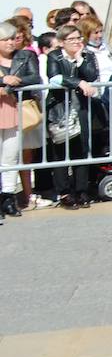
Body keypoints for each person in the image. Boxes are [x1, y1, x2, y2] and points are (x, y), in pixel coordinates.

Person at [46, 24, 100, 207]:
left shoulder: (88, 56)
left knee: (82, 150)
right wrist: (78, 83)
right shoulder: (55, 56)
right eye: (71, 39)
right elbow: (54, 78)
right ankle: (64, 192)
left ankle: (81, 190)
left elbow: (92, 75)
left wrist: (80, 59)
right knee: (61, 150)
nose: (77, 42)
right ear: (61, 42)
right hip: (60, 109)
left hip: (81, 108)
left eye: (79, 38)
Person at [0, 22, 41, 219]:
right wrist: (3, 80)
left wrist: (17, 81)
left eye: (11, 38)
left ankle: (7, 197)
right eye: (5, 39)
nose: (10, 42)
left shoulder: (24, 56)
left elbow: (35, 78)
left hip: (12, 109)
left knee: (11, 155)